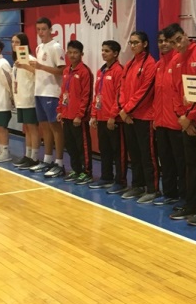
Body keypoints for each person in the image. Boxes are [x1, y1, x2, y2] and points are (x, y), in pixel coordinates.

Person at [165, 23, 196, 223]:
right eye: (172, 43)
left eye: (179, 39)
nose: (178, 45)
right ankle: (191, 205)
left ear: (185, 35)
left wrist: (190, 117)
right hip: (186, 123)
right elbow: (176, 93)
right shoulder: (175, 60)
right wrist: (183, 118)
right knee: (190, 166)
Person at [119, 31, 158, 202]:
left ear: (145, 44)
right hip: (128, 116)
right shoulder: (129, 64)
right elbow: (122, 88)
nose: (133, 45)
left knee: (147, 155)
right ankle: (137, 185)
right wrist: (123, 109)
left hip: (144, 117)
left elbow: (145, 91)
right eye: (131, 43)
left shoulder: (150, 64)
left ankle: (152, 189)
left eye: (136, 42)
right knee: (134, 154)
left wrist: (127, 109)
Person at [152, 30, 185, 206]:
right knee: (165, 160)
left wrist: (182, 116)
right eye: (160, 41)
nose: (163, 44)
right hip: (161, 122)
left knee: (181, 162)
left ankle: (184, 197)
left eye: (166, 41)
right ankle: (169, 193)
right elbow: (157, 95)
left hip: (176, 122)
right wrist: (156, 118)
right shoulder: (158, 65)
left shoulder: (179, 61)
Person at [30, 17, 66, 176]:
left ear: (51, 30)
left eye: (44, 29)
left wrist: (41, 66)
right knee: (44, 127)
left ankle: (59, 162)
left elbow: (62, 71)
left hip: (52, 92)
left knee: (55, 128)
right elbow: (39, 70)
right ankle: (47, 159)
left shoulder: (56, 47)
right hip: (39, 91)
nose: (41, 32)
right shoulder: (39, 47)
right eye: (38, 29)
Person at [88, 40, 125, 190]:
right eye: (102, 50)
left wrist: (112, 116)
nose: (103, 53)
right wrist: (94, 114)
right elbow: (97, 94)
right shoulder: (100, 71)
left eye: (107, 51)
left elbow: (119, 96)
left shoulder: (119, 71)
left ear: (115, 54)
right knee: (105, 150)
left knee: (118, 151)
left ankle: (120, 181)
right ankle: (106, 177)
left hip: (113, 119)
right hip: (101, 117)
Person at [57, 40, 93, 184]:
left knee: (82, 146)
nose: (72, 55)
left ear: (81, 54)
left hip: (78, 118)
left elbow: (86, 96)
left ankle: (87, 172)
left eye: (76, 53)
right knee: (70, 145)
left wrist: (80, 115)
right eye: (70, 52)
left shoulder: (85, 71)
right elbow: (63, 93)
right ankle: (76, 170)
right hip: (66, 115)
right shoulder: (66, 71)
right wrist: (60, 110)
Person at [11, 33, 41, 170]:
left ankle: (34, 157)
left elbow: (39, 74)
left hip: (29, 99)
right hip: (20, 99)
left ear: (24, 44)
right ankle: (28, 155)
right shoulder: (16, 61)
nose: (14, 45)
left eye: (17, 42)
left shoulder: (31, 59)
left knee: (32, 128)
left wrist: (25, 66)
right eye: (12, 42)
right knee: (27, 128)